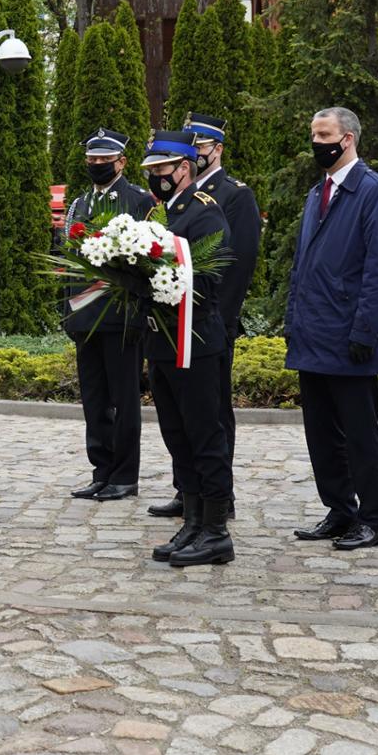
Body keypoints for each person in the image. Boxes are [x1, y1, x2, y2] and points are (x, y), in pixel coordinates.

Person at [286, 106, 378, 552]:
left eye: (323, 135)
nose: (316, 142)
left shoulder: (374, 191)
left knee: (359, 435)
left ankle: (371, 518)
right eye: (314, 134)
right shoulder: (317, 192)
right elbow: (302, 266)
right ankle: (339, 509)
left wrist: (364, 331)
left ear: (347, 138)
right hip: (312, 334)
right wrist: (293, 320)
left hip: (349, 337)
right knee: (321, 433)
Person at [146, 113, 264, 521]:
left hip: (202, 327)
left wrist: (220, 322)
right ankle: (190, 501)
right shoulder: (162, 211)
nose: (156, 177)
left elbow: (233, 265)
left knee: (208, 422)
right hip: (169, 332)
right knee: (180, 427)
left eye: (200, 145)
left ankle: (215, 511)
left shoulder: (226, 199)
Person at [139, 130, 234, 568]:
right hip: (161, 342)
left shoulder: (204, 212)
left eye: (162, 168)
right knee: (177, 436)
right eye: (151, 170)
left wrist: (157, 281)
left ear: (184, 168)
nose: (156, 176)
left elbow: (210, 279)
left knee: (204, 436)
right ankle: (192, 522)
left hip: (194, 342)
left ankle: (215, 531)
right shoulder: (159, 214)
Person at [61, 129, 156, 502]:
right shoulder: (79, 204)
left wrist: (140, 314)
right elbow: (69, 263)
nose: (97, 165)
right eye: (92, 159)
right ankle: (101, 471)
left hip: (121, 318)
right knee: (94, 399)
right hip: (85, 316)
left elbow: (150, 260)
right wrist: (68, 312)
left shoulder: (139, 201)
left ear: (122, 162)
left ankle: (125, 475)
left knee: (124, 399)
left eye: (104, 159)